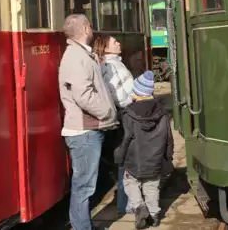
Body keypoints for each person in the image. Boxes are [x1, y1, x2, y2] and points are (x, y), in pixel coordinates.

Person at [59, 14, 118, 230]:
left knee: (85, 185)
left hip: (88, 129)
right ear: (85, 28)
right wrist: (107, 113)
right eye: (91, 25)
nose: (92, 29)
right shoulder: (76, 56)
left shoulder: (81, 54)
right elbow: (83, 95)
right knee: (84, 186)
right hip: (84, 132)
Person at [114, 71, 174, 229]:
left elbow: (126, 139)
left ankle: (139, 207)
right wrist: (168, 157)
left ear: (136, 92)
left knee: (130, 183)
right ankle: (154, 215)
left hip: (134, 160)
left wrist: (119, 156)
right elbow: (169, 138)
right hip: (155, 160)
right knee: (152, 186)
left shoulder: (128, 114)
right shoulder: (162, 114)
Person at [93, 34, 134, 215]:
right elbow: (118, 94)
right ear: (106, 48)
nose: (118, 43)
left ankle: (125, 202)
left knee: (123, 158)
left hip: (122, 114)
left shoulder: (111, 64)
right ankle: (126, 203)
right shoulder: (111, 66)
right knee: (126, 159)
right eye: (114, 42)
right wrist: (133, 101)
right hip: (125, 113)